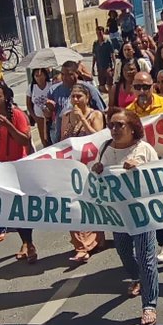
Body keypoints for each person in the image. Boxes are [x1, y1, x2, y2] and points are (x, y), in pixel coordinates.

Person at [92, 108, 161, 325]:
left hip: (142, 213)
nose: (114, 129)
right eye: (111, 125)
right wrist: (96, 169)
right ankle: (137, 277)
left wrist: (141, 168)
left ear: (132, 128)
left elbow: (160, 177)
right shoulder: (104, 148)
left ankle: (149, 305)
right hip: (118, 213)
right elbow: (97, 178)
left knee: (146, 256)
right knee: (123, 250)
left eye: (119, 125)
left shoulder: (144, 149)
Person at [129, 72, 163, 273]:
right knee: (155, 208)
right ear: (132, 88)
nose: (142, 91)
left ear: (153, 86)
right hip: (145, 169)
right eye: (138, 87)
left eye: (146, 86)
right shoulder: (129, 113)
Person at [0, 82, 36, 262]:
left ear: (6, 97)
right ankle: (26, 242)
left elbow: (24, 142)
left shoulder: (18, 115)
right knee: (12, 210)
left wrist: (8, 125)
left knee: (23, 208)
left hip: (18, 168)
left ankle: (29, 242)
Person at [59, 83, 106, 264]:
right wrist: (70, 125)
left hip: (91, 164)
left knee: (93, 203)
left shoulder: (96, 114)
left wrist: (83, 120)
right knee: (75, 204)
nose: (76, 100)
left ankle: (96, 238)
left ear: (87, 98)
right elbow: (63, 141)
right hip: (73, 165)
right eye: (73, 97)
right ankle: (81, 245)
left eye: (79, 96)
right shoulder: (66, 116)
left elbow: (98, 137)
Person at [45, 59, 106, 143]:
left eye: (69, 74)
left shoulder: (89, 89)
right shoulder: (53, 90)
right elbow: (48, 116)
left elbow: (101, 112)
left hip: (87, 139)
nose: (65, 77)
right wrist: (49, 110)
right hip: (62, 139)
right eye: (62, 74)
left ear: (77, 74)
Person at [27, 68, 54, 148]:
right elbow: (28, 104)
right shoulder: (31, 87)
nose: (39, 78)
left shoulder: (51, 85)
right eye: (36, 76)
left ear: (45, 75)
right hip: (39, 118)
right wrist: (35, 117)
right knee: (44, 141)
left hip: (51, 118)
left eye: (41, 75)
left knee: (52, 139)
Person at [92, 25, 117, 95]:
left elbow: (113, 55)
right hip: (99, 68)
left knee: (110, 85)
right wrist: (92, 68)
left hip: (108, 68)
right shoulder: (95, 44)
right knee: (102, 87)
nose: (99, 34)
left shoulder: (108, 43)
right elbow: (94, 56)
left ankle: (112, 97)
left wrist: (115, 66)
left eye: (100, 32)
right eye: (97, 33)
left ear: (103, 32)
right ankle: (111, 95)